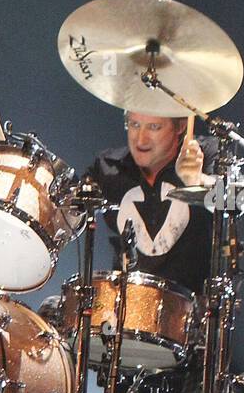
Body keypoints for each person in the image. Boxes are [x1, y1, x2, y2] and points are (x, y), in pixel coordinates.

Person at [84, 110, 216, 296]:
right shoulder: (108, 166)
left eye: (154, 127)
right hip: (122, 306)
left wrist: (197, 180)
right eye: (134, 125)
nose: (141, 140)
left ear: (180, 126)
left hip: (192, 310)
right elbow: (67, 209)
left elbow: (238, 198)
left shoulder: (204, 154)